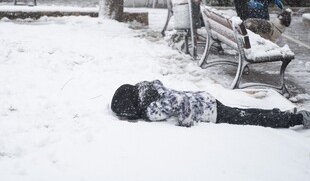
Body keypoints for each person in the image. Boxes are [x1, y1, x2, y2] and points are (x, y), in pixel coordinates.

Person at [111, 79, 310, 129]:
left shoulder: (150, 110)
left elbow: (179, 101)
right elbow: (158, 83)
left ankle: (294, 118)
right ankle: (284, 113)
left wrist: (186, 123)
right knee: (244, 113)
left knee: (250, 119)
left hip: (209, 112)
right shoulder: (146, 89)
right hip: (205, 99)